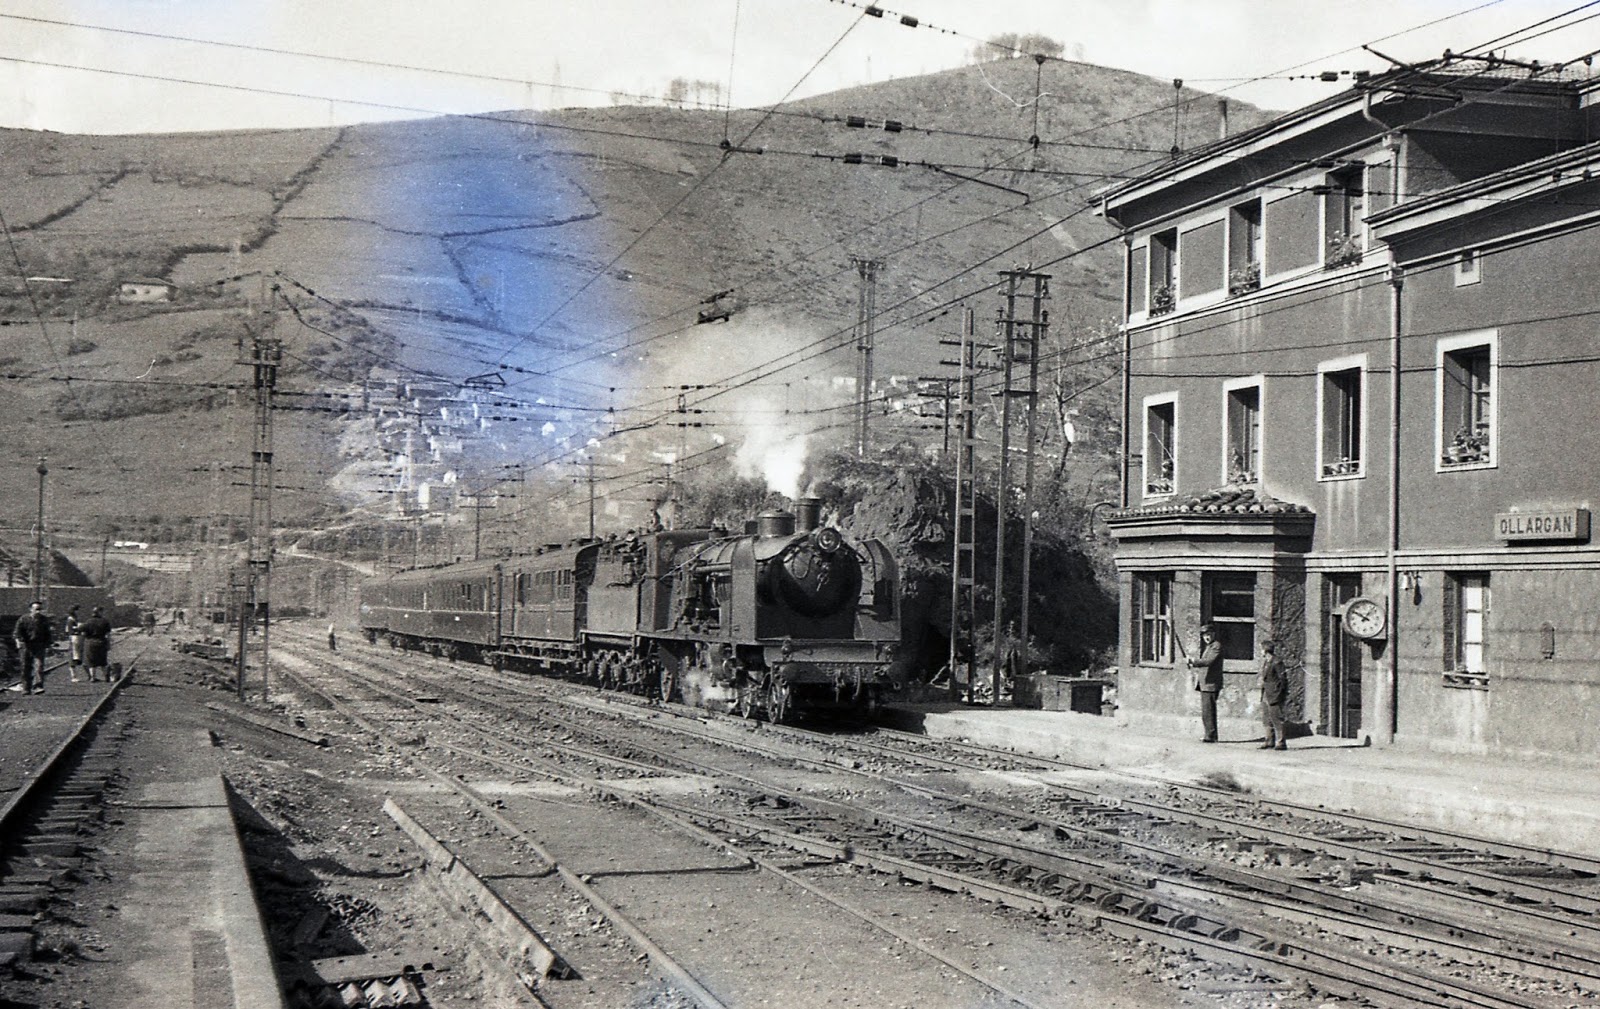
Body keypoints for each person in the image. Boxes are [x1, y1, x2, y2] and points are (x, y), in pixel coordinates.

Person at [1187, 623, 1224, 743]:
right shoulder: (1209, 646)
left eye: (1208, 635)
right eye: (1204, 636)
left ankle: (1210, 735)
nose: (1206, 638)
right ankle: (1210, 734)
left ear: (1213, 634)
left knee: (1208, 711)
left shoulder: (1216, 646)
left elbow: (1208, 661)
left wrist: (1194, 661)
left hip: (1211, 684)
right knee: (1206, 711)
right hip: (1205, 684)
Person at [13, 601, 52, 695]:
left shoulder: (44, 620)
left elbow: (48, 633)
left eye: (40, 609)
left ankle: (38, 686)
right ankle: (26, 688)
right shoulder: (23, 619)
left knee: (39, 666)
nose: (38, 611)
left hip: (39, 645)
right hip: (26, 645)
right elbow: (17, 632)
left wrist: (48, 645)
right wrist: (18, 642)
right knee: (25, 667)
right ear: (31, 609)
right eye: (36, 609)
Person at [1258, 639, 1288, 751]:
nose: (1260, 651)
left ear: (1265, 650)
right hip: (1266, 693)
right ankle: (1269, 740)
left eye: (1261, 649)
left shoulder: (1277, 662)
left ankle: (1280, 742)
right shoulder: (1267, 661)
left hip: (1274, 694)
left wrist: (1279, 694)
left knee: (1276, 718)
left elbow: (1283, 680)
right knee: (1267, 718)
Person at [80, 606, 112, 683]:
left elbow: (82, 632)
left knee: (91, 662)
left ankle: (93, 677)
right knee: (103, 661)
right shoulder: (105, 622)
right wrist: (108, 644)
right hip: (101, 642)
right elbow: (108, 635)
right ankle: (106, 677)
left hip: (90, 643)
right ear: (100, 612)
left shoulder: (88, 621)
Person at [64, 604, 83, 683]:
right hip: (74, 638)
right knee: (74, 656)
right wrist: (79, 627)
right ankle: (74, 676)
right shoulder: (70, 620)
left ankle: (90, 675)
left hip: (78, 637)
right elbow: (69, 630)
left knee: (78, 656)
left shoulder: (74, 619)